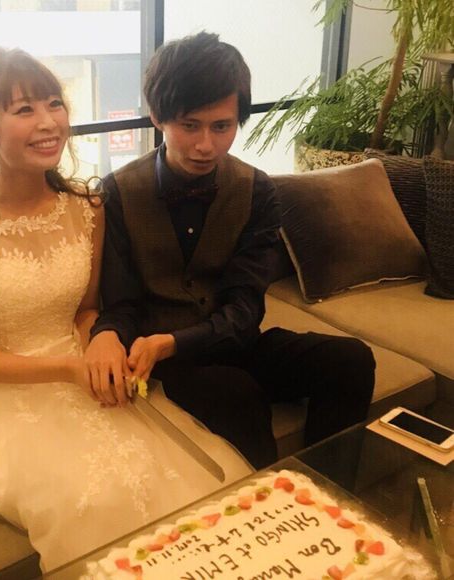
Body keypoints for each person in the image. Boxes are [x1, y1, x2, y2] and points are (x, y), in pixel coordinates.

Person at [0, 46, 252, 572]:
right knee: (92, 497)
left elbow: (88, 309)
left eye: (54, 103)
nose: (48, 121)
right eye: (24, 109)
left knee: (199, 475)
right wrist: (70, 368)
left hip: (81, 367)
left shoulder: (88, 206)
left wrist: (103, 344)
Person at [87, 31, 376, 469]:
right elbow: (121, 302)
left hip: (230, 340)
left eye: (221, 127)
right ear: (157, 117)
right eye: (190, 125)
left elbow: (245, 308)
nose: (206, 145)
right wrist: (114, 336)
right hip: (162, 362)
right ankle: (265, 502)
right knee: (236, 393)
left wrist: (180, 341)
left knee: (350, 359)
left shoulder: (257, 190)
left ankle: (326, 492)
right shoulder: (118, 192)